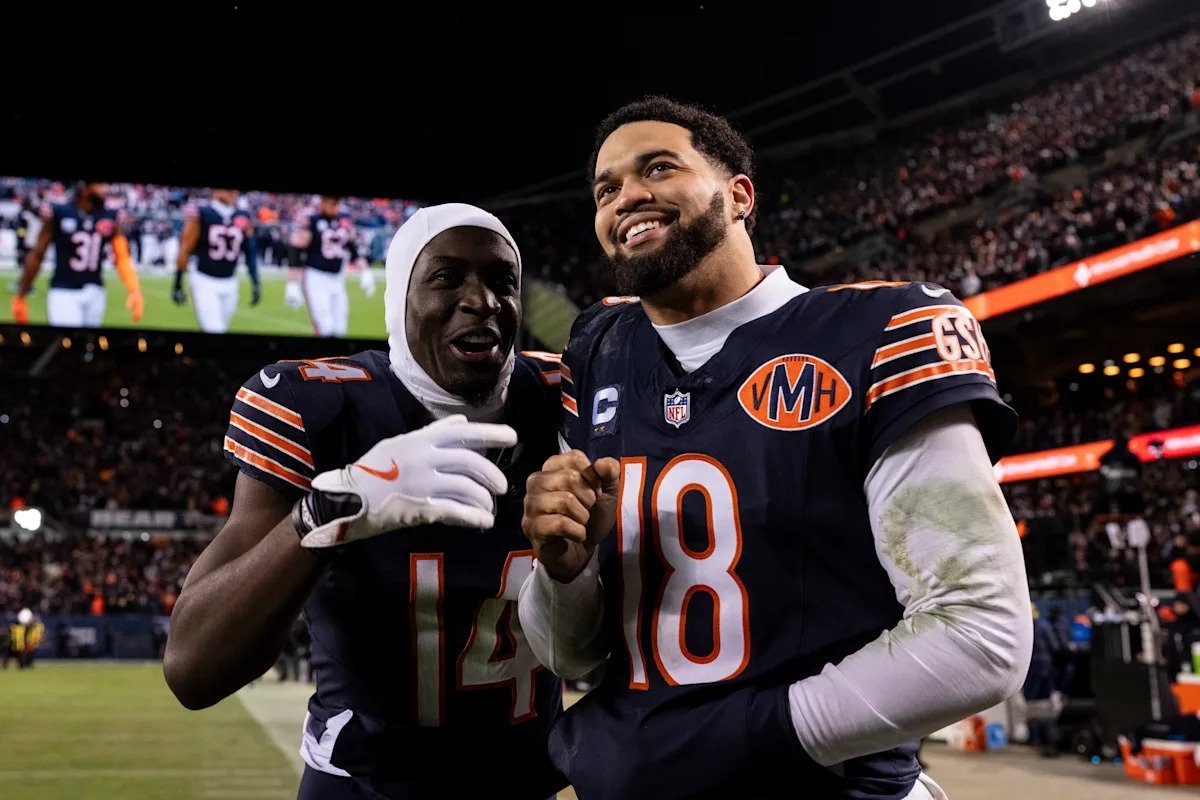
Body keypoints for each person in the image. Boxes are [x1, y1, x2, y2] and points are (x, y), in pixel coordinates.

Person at [518, 96, 1034, 800]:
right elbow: (571, 655)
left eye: (658, 168)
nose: (626, 196)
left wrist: (724, 744)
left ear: (739, 196)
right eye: (606, 190)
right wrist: (564, 571)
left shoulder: (876, 330)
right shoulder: (597, 351)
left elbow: (982, 634)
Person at [164, 203, 566, 799]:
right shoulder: (318, 407)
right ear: (399, 299)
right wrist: (331, 510)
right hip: (359, 786)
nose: (481, 300)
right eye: (446, 277)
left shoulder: (569, 397)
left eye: (502, 280)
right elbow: (193, 670)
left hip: (525, 786)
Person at [11, 181, 143, 328]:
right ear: (84, 188)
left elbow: (122, 257)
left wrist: (134, 288)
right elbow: (38, 254)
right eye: (99, 184)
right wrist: (21, 295)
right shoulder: (59, 213)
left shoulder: (111, 216)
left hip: (96, 291)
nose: (106, 189)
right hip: (64, 291)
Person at [171, 188, 261, 333]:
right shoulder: (200, 213)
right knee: (215, 329)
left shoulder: (243, 216)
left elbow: (250, 252)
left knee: (220, 327)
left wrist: (255, 282)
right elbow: (185, 247)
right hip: (205, 280)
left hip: (230, 282)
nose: (232, 193)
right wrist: (178, 281)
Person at [285, 195, 375, 337]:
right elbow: (296, 245)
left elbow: (353, 249)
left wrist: (365, 272)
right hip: (316, 277)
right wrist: (292, 283)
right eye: (332, 203)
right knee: (324, 326)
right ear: (323, 202)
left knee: (340, 327)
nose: (335, 207)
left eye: (337, 203)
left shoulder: (343, 220)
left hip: (337, 278)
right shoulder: (313, 220)